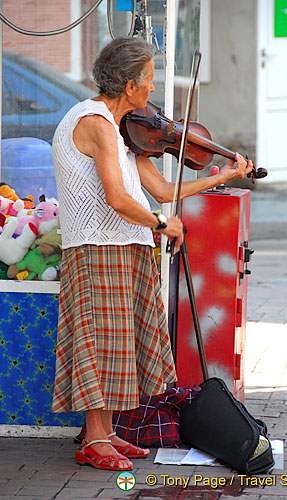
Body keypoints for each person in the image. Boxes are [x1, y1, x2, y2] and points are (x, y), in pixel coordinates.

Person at [51, 36, 253, 471]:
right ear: (129, 85)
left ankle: (104, 434)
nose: (153, 92)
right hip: (96, 249)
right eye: (149, 81)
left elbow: (161, 190)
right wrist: (162, 224)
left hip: (126, 248)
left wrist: (226, 174)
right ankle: (93, 440)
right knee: (100, 343)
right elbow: (117, 198)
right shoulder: (97, 124)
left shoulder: (124, 129)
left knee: (119, 344)